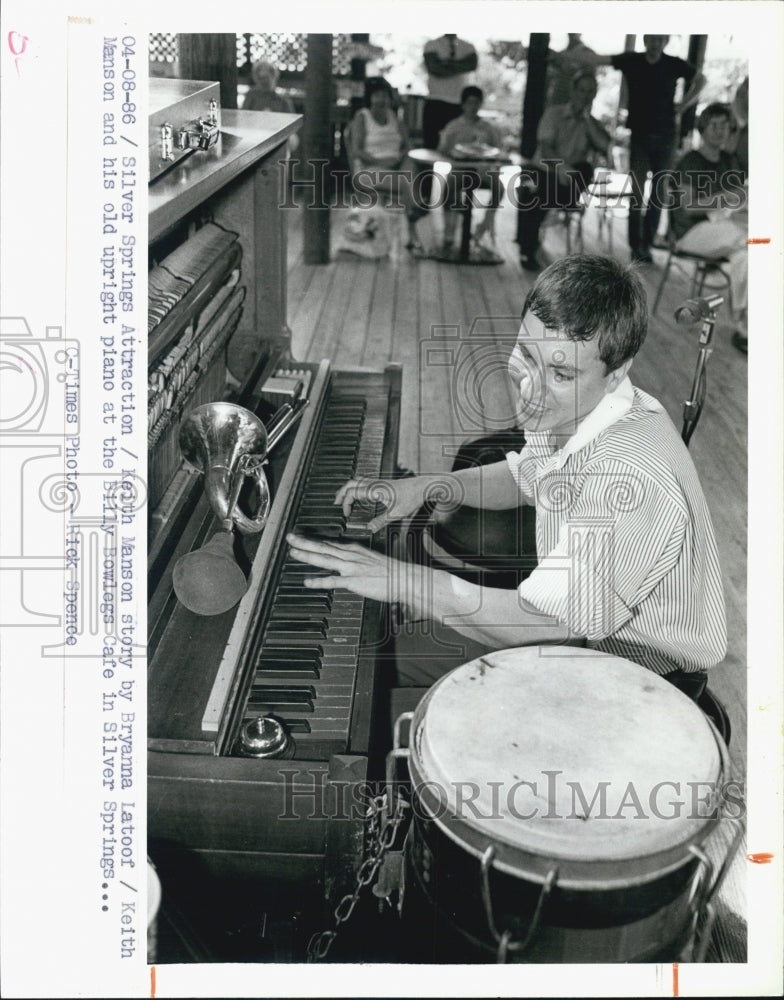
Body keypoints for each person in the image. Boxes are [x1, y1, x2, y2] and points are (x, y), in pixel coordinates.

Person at [288, 254, 727, 691]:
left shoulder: (631, 479)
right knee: (381, 656)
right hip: (578, 631)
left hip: (636, 675)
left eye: (560, 373)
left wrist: (404, 581)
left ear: (616, 373)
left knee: (370, 671)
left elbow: (546, 624)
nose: (530, 389)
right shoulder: (578, 409)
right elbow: (527, 477)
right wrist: (431, 486)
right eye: (527, 355)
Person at [587, 36, 705, 263]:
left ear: (665, 42)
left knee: (659, 193)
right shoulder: (633, 61)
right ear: (645, 41)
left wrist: (684, 104)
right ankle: (635, 246)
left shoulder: (674, 64)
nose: (654, 44)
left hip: (666, 137)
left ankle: (647, 245)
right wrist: (564, 55)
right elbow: (599, 59)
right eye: (651, 39)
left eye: (659, 40)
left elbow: (701, 80)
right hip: (641, 137)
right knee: (637, 192)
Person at [670, 102, 748, 354]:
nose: (721, 131)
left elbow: (737, 200)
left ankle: (744, 327)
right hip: (689, 233)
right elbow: (687, 207)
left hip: (722, 231)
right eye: (715, 125)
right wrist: (727, 198)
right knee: (751, 238)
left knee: (748, 256)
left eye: (726, 126)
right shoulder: (691, 160)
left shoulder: (729, 160)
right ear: (703, 128)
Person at [517, 68, 611, 270]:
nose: (585, 96)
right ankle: (528, 250)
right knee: (535, 187)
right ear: (573, 91)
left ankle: (553, 203)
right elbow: (546, 147)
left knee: (585, 168)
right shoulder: (554, 114)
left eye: (590, 92)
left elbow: (604, 147)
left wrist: (587, 121)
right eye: (582, 90)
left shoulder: (592, 123)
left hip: (570, 183)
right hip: (547, 172)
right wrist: (562, 168)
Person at [346, 77, 424, 251]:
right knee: (408, 182)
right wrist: (381, 162)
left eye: (385, 96)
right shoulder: (362, 117)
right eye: (377, 96)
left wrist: (400, 158)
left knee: (410, 167)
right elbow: (357, 150)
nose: (382, 100)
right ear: (370, 98)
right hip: (368, 169)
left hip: (397, 169)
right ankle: (413, 223)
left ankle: (413, 214)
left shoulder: (395, 117)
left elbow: (408, 146)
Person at [437, 85, 504, 251]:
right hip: (460, 170)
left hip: (483, 171)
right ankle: (449, 229)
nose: (473, 107)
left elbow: (499, 152)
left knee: (500, 187)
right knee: (450, 184)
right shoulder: (454, 126)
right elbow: (442, 150)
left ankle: (484, 226)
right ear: (463, 104)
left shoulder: (488, 128)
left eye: (477, 102)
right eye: (470, 102)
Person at [243, 59, 299, 153]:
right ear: (256, 79)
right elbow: (243, 119)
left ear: (274, 77)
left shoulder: (283, 101)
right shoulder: (251, 96)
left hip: (277, 138)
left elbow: (292, 127)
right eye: (260, 78)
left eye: (266, 78)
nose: (264, 81)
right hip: (254, 137)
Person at [546, 34, 598, 107]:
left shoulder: (587, 54)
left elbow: (588, 84)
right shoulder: (562, 54)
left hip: (575, 106)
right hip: (556, 104)